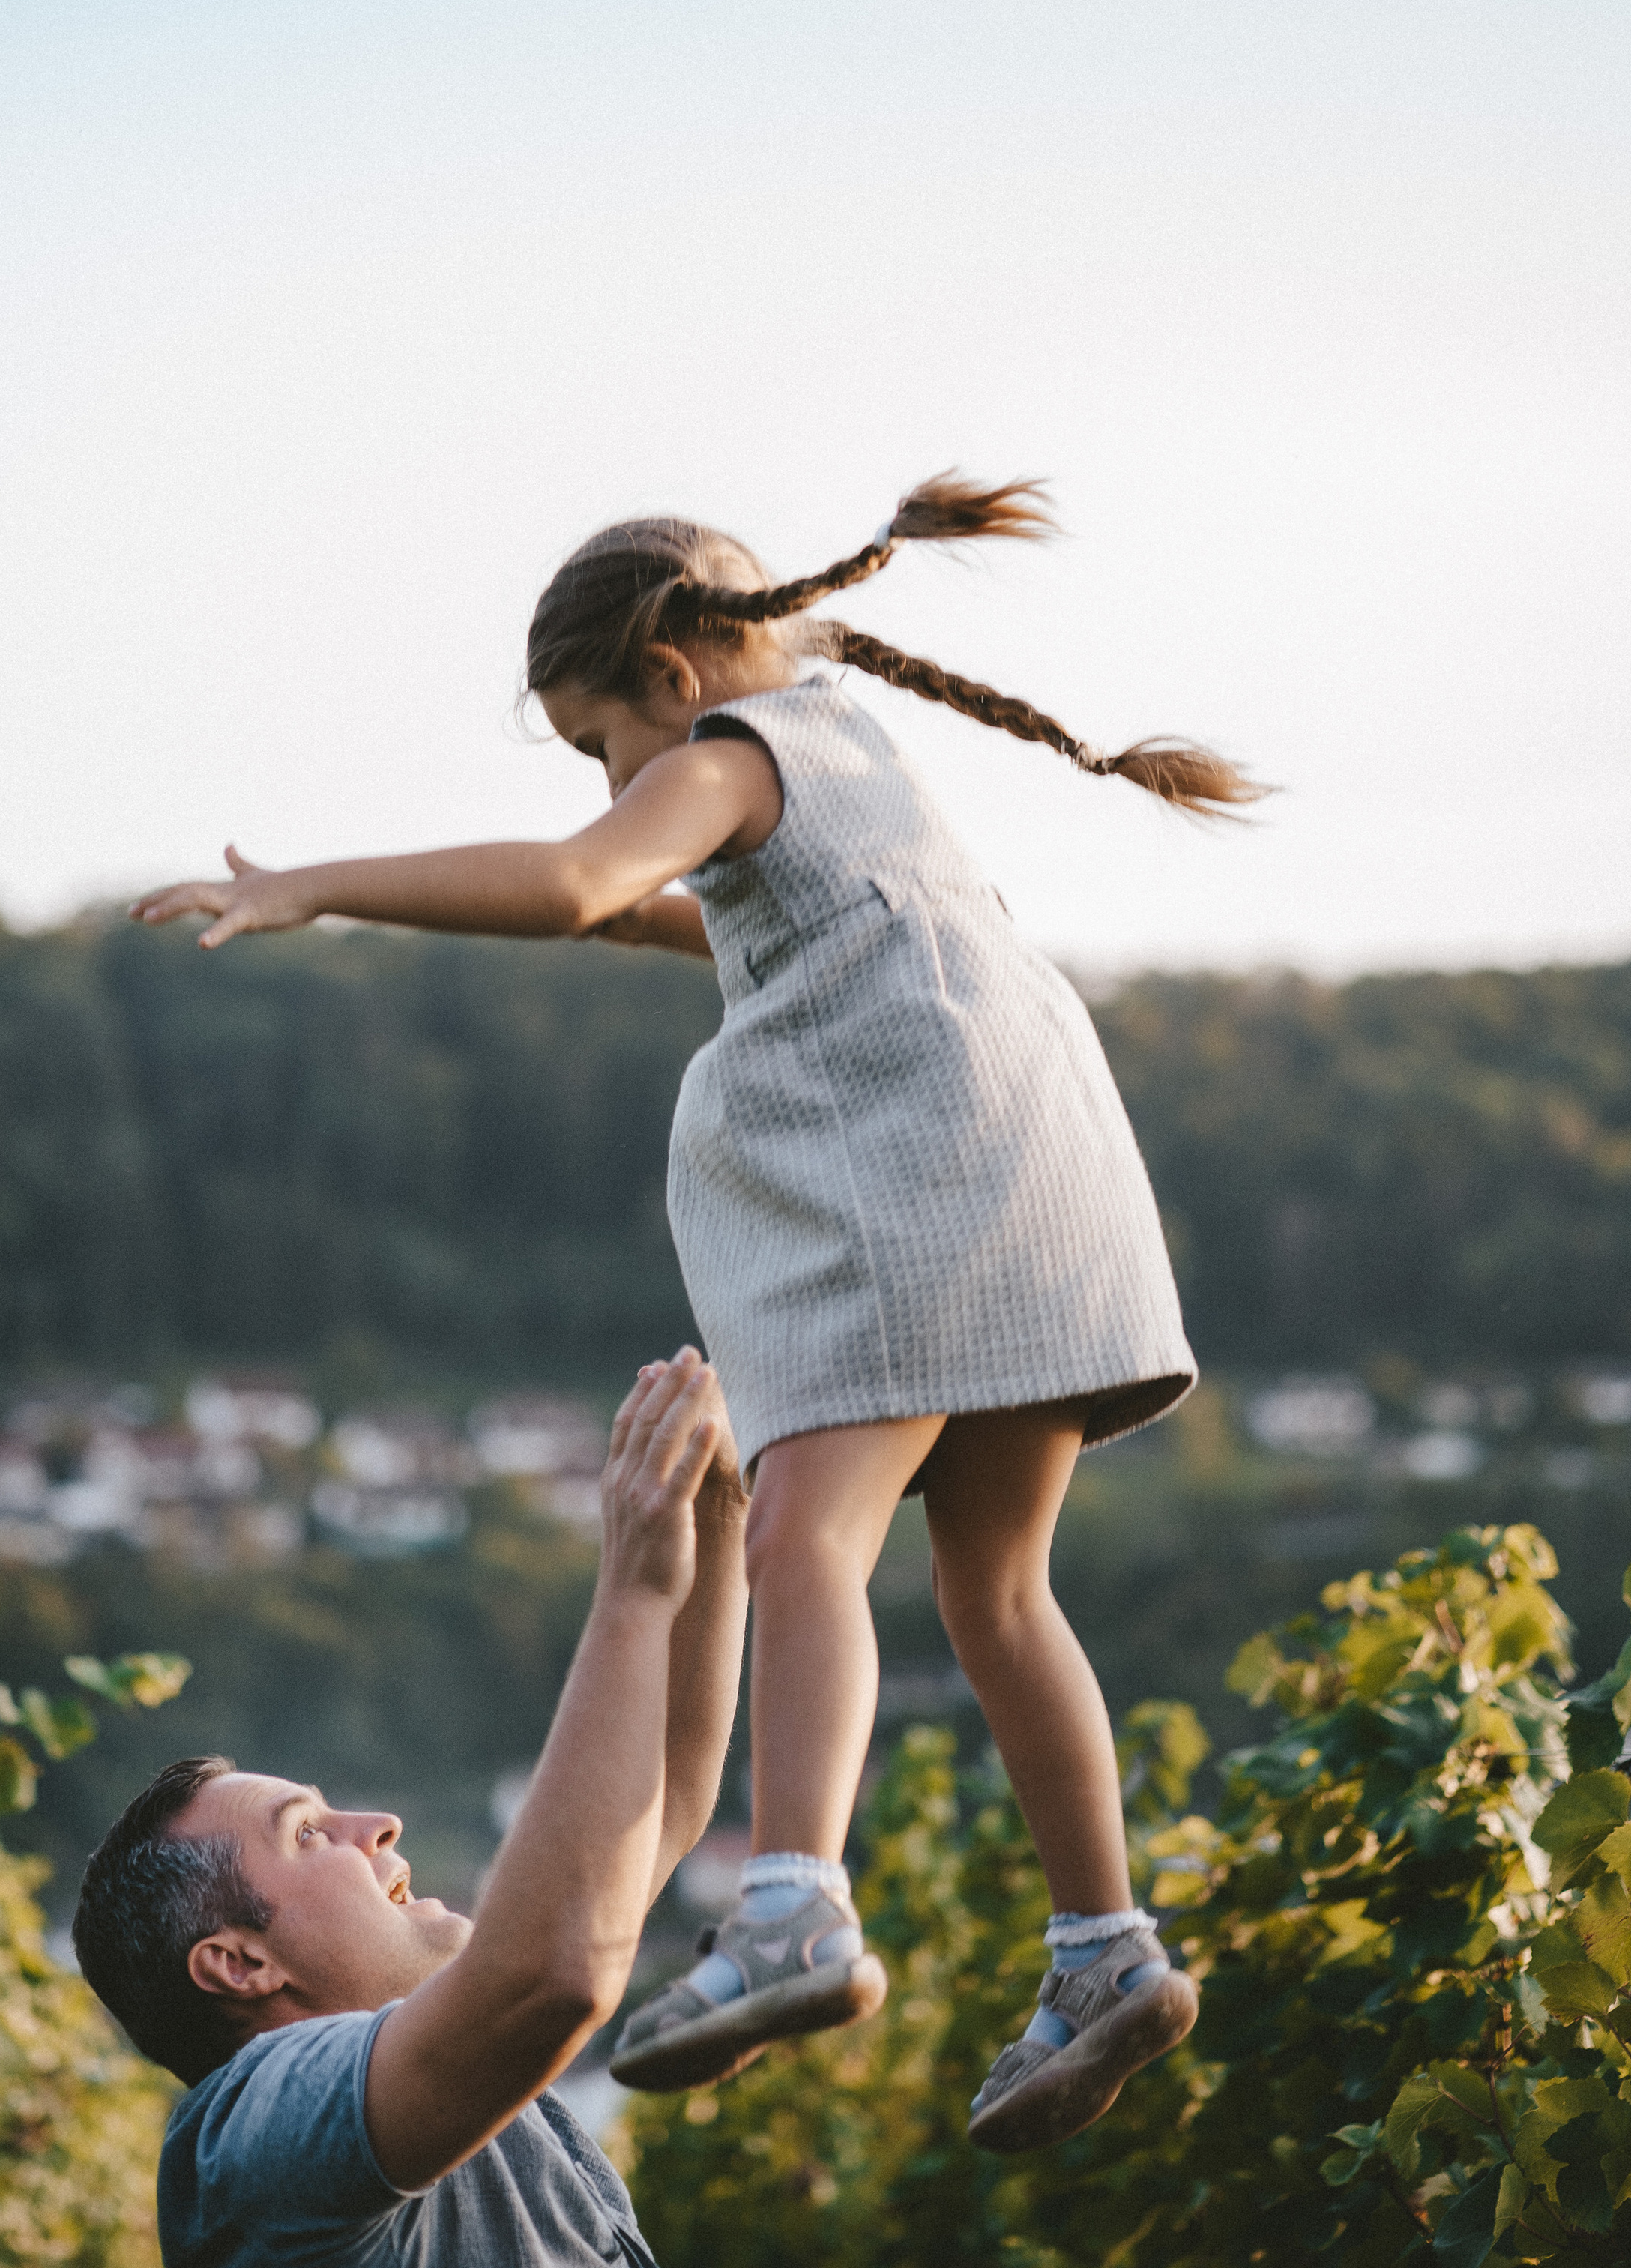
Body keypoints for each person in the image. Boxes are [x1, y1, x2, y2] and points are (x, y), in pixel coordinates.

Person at [130, 471, 1260, 2154]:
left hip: (914, 1177)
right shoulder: (860, 762)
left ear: (669, 672)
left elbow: (586, 880)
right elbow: (706, 923)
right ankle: (1104, 1944)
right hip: (1049, 1184)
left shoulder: (731, 756)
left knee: (803, 1534)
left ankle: (791, 1905)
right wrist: (608, 898)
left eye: (602, 748)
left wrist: (321, 885)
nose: (614, 786)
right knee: (998, 1592)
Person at [72, 1350, 756, 2264]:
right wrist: (629, 1586)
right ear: (238, 1963)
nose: (379, 1825)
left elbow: (661, 1796)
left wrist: (718, 1504)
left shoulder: (455, 2091)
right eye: (308, 1833)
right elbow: (554, 1976)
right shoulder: (253, 2131)